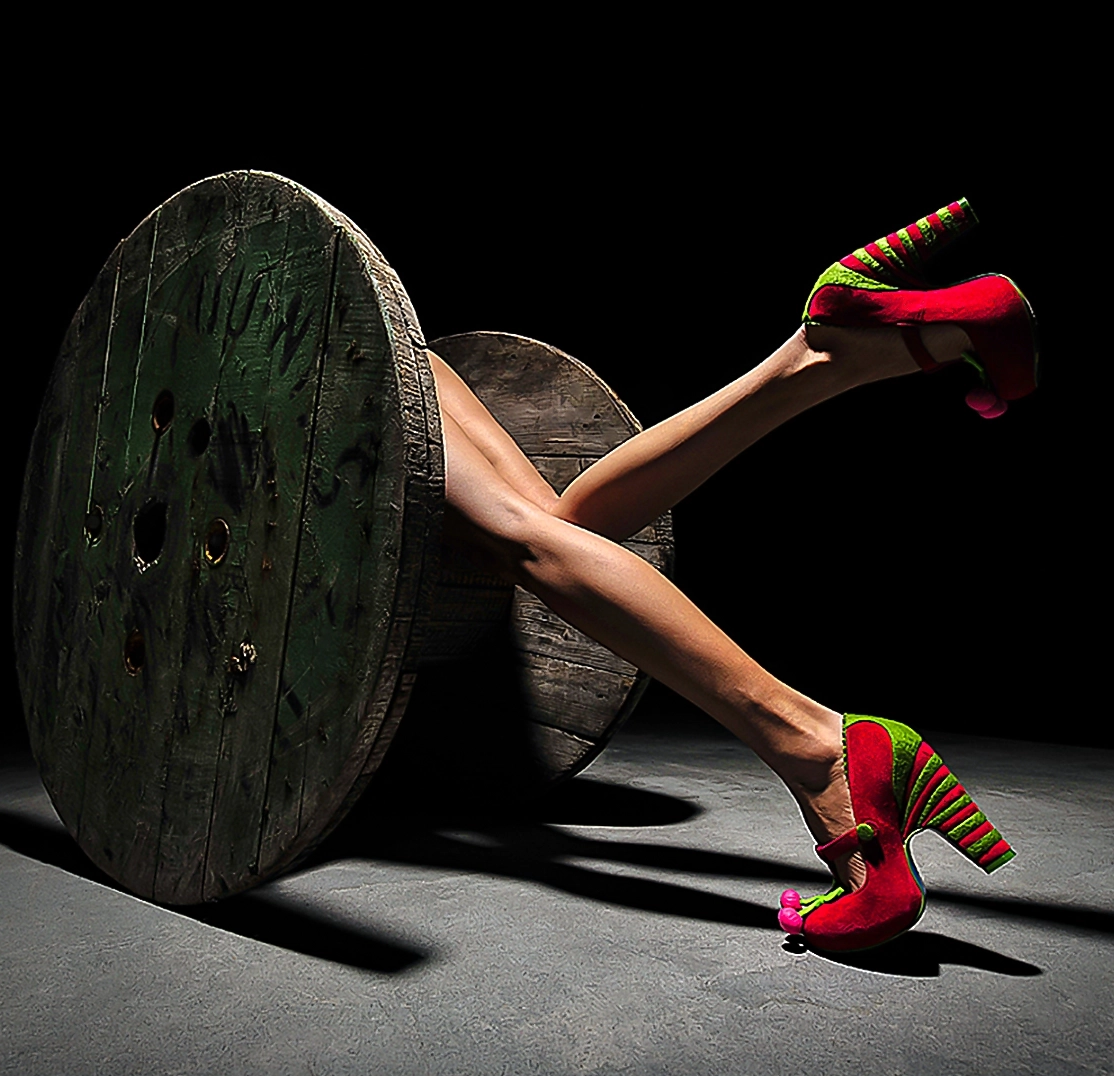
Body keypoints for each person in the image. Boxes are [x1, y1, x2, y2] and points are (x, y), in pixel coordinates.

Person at [430, 199, 1036, 952]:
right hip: (406, 352)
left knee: (524, 539)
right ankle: (820, 357)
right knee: (558, 530)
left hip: (326, 352)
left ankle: (818, 748)